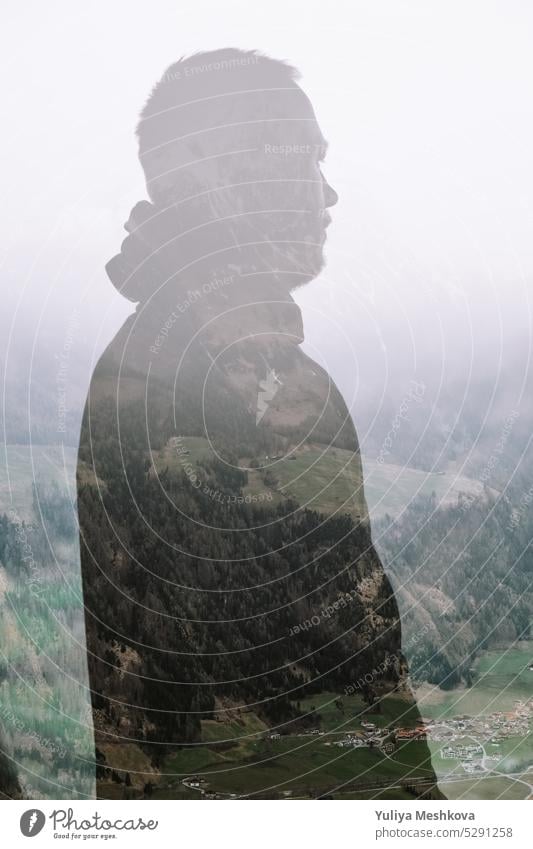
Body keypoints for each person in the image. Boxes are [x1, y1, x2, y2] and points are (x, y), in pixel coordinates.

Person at [77, 48, 442, 799]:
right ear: (225, 170)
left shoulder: (158, 339)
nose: (329, 192)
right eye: (307, 156)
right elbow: (340, 679)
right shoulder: (256, 376)